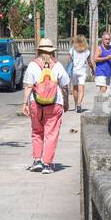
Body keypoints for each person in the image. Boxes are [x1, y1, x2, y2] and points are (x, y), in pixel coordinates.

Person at [20, 38, 71, 174]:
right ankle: (47, 164)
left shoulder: (32, 65)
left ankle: (37, 160)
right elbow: (65, 86)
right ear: (52, 51)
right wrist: (66, 102)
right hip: (55, 104)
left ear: (39, 51)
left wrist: (24, 104)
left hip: (36, 104)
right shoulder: (57, 66)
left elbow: (28, 86)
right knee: (51, 134)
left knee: (37, 132)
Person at [69, 34, 91, 113]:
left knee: (75, 88)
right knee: (81, 89)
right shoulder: (87, 51)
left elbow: (69, 60)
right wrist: (93, 69)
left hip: (74, 71)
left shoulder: (72, 50)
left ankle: (75, 105)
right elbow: (89, 62)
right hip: (82, 72)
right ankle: (79, 104)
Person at [92, 32, 111, 96]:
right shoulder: (99, 48)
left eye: (109, 39)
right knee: (103, 89)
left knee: (107, 90)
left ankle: (100, 103)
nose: (107, 41)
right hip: (100, 71)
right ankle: (99, 104)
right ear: (102, 40)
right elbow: (95, 59)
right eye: (106, 39)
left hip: (108, 72)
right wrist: (106, 58)